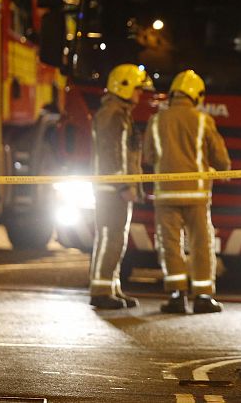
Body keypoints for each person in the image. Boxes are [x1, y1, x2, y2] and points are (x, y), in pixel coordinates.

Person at [143, 70, 231, 314]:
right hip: (197, 194)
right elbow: (221, 159)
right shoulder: (203, 120)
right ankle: (202, 296)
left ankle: (176, 295)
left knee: (170, 245)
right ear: (197, 95)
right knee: (201, 244)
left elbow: (149, 156)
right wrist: (222, 169)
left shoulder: (156, 120)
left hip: (166, 194)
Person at [89, 63, 153, 310]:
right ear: (124, 87)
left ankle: (111, 287)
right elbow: (111, 155)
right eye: (137, 89)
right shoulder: (113, 114)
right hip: (111, 189)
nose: (139, 94)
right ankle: (101, 290)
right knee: (110, 238)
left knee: (117, 238)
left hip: (115, 188)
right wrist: (121, 185)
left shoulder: (119, 112)